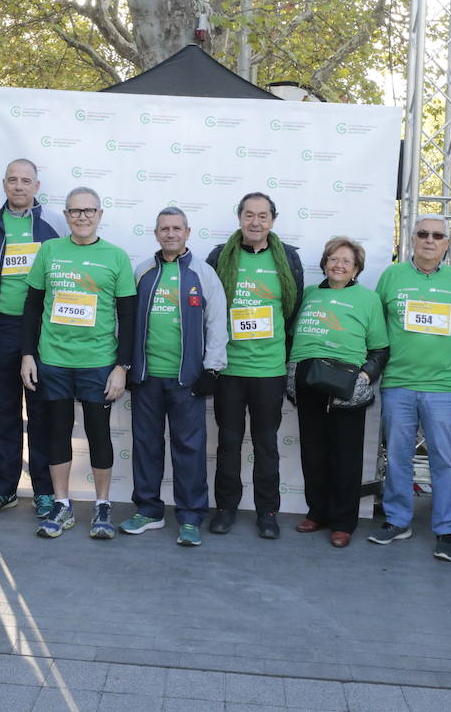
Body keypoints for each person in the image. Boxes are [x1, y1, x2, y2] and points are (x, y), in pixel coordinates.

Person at [21, 187, 136, 539]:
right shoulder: (50, 251)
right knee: (57, 434)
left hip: (98, 363)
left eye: (88, 211)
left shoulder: (116, 257)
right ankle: (62, 504)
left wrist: (122, 367)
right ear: (67, 216)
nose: (82, 216)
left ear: (100, 214)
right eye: (74, 211)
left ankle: (102, 505)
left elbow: (129, 317)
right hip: (53, 362)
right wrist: (28, 354)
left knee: (98, 434)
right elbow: (32, 306)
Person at [122, 207, 227, 547]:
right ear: (155, 234)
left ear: (187, 232)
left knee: (189, 448)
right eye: (164, 228)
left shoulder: (203, 273)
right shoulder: (143, 271)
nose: (170, 233)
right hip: (147, 378)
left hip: (187, 380)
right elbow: (124, 321)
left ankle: (191, 516)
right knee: (146, 446)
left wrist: (212, 368)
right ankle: (149, 511)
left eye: (176, 228)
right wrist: (125, 365)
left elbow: (217, 322)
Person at [370, 216, 451, 561]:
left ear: (446, 243)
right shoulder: (392, 276)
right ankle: (398, 520)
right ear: (411, 239)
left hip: (443, 387)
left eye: (437, 236)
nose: (430, 240)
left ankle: (446, 530)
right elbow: (376, 327)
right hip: (398, 384)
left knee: (444, 460)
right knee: (398, 458)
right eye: (423, 234)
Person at [205, 192, 304, 539]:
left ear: (272, 221)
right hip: (229, 370)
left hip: (269, 370)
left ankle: (267, 511)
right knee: (229, 443)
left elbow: (293, 310)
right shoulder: (220, 257)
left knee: (266, 444)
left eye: (263, 216)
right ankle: (226, 508)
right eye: (249, 215)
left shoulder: (287, 259)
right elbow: (207, 307)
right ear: (239, 217)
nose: (256, 222)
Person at [0, 159, 67, 520]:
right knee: (3, 412)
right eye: (12, 180)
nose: (18, 186)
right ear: (3, 184)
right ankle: (3, 490)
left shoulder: (54, 224)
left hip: (42, 332)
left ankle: (43, 491)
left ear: (37, 186)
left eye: (25, 180)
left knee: (41, 413)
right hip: (2, 329)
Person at [287, 237, 388, 548]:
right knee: (313, 453)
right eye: (333, 258)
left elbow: (380, 349)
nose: (339, 265)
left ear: (356, 268)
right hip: (308, 384)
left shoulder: (368, 300)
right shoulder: (309, 294)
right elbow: (292, 336)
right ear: (324, 263)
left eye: (346, 261)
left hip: (346, 387)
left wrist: (364, 377)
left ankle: (343, 521)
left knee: (345, 457)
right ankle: (317, 512)